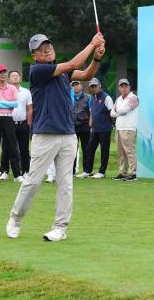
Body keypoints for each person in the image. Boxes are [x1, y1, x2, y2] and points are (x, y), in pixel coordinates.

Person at [6, 32, 105, 242]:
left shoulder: (62, 72)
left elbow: (86, 74)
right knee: (33, 181)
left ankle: (60, 227)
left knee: (65, 183)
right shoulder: (38, 70)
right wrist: (92, 43)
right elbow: (74, 63)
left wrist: (96, 57)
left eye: (48, 46)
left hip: (68, 134)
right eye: (41, 48)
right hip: (45, 134)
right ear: (34, 55)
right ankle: (15, 218)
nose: (47, 49)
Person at [0, 65, 23, 183]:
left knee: (12, 146)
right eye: (0, 72)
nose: (2, 74)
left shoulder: (12, 88)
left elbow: (15, 104)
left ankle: (17, 174)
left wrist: (1, 102)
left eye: (4, 72)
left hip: (8, 118)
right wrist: (7, 103)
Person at [77, 78, 113, 179]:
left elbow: (112, 112)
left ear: (99, 85)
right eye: (92, 86)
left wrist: (109, 124)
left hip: (105, 128)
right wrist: (91, 124)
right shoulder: (92, 98)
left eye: (95, 86)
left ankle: (102, 172)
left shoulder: (106, 97)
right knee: (89, 149)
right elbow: (92, 112)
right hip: (95, 128)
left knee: (104, 150)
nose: (93, 88)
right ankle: (87, 171)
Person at [1, 70, 33, 176]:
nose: (15, 77)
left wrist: (28, 123)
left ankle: (25, 171)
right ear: (9, 79)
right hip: (8, 123)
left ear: (20, 78)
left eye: (17, 76)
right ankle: (4, 171)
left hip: (22, 123)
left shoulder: (26, 92)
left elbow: (29, 108)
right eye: (13, 76)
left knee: (24, 149)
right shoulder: (5, 91)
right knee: (6, 148)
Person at [110, 78, 139, 181]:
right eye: (122, 86)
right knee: (120, 152)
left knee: (129, 151)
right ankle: (122, 172)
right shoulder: (118, 99)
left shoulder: (133, 98)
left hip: (129, 128)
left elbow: (125, 110)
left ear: (129, 87)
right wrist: (119, 111)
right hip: (119, 128)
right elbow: (112, 113)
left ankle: (132, 173)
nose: (124, 88)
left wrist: (117, 110)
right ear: (119, 88)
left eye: (126, 86)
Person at [69, 79, 90, 177]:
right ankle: (71, 170)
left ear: (81, 86)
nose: (75, 87)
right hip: (73, 126)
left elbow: (91, 111)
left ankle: (86, 170)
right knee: (72, 149)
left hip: (85, 125)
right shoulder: (69, 97)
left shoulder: (88, 97)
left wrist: (90, 123)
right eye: (73, 85)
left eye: (77, 84)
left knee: (86, 148)